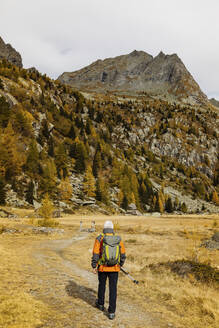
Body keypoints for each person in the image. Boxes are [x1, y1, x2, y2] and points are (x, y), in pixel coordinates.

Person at [91, 220, 126, 320]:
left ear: (104, 227)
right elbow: (123, 254)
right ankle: (111, 312)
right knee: (113, 289)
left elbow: (95, 253)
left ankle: (101, 304)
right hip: (115, 268)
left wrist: (94, 266)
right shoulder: (118, 239)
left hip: (102, 267)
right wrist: (120, 264)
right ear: (112, 228)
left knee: (102, 285)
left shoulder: (99, 238)